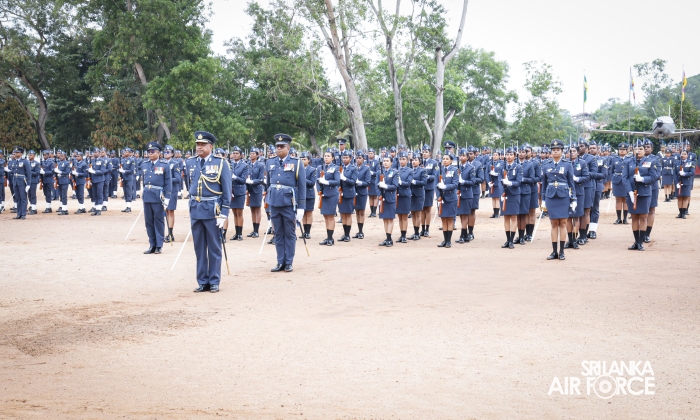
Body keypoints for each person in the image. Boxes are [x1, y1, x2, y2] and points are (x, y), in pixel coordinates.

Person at [189, 131, 231, 292]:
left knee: (214, 247)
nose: (199, 147)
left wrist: (224, 213)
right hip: (196, 209)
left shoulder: (220, 163)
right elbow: (191, 186)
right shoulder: (191, 162)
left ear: (210, 146)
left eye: (202, 145)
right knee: (199, 248)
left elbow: (227, 189)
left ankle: (214, 280)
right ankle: (202, 281)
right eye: (197, 145)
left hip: (212, 210)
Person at [265, 134, 305, 272]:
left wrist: (301, 207)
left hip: (289, 203)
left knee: (289, 233)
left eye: (282, 147)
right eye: (277, 146)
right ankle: (280, 261)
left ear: (288, 148)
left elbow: (302, 186)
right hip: (275, 203)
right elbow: (268, 184)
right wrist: (268, 202)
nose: (279, 149)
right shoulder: (270, 162)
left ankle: (289, 261)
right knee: (278, 233)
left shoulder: (296, 162)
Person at [541, 140, 576, 260]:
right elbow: (544, 184)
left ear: (562, 151)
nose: (556, 152)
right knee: (553, 223)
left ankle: (562, 252)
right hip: (551, 197)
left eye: (558, 150)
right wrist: (543, 199)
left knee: (563, 223)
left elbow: (571, 183)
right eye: (554, 150)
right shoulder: (546, 164)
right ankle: (554, 251)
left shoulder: (567, 164)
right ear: (551, 152)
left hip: (564, 196)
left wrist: (574, 198)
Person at [623, 139, 659, 251]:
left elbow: (654, 176)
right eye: (636, 148)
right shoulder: (628, 161)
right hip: (631, 193)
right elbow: (624, 177)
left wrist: (642, 179)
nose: (638, 151)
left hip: (644, 192)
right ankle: (635, 241)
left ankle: (640, 242)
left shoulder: (650, 162)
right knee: (634, 217)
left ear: (644, 150)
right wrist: (629, 191)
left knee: (643, 217)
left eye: (641, 149)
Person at [141, 142, 172, 254]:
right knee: (148, 221)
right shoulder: (144, 164)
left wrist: (167, 197)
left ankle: (159, 245)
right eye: (148, 151)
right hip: (147, 195)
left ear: (159, 153)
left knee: (158, 221)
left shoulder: (164, 165)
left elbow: (168, 182)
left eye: (152, 151)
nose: (150, 153)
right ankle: (152, 244)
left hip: (158, 196)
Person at [499, 147, 523, 248]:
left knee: (513, 217)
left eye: (511, 154)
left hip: (514, 194)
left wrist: (510, 183)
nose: (508, 156)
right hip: (505, 194)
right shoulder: (503, 167)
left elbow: (519, 181)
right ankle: (508, 240)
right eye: (507, 154)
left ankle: (512, 240)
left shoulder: (518, 167)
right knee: (506, 217)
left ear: (514, 156)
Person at [566, 146, 589, 249]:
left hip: (578, 192)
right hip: (567, 192)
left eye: (574, 151)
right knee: (568, 217)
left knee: (577, 216)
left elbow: (586, 177)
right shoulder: (565, 163)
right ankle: (570, 240)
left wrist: (577, 179)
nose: (572, 153)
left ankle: (575, 239)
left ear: (578, 152)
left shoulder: (582, 163)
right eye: (570, 151)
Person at [435, 152, 458, 247]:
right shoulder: (439, 171)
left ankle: (449, 240)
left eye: (447, 159)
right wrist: (438, 196)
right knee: (443, 219)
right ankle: (444, 240)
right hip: (442, 198)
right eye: (443, 159)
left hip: (451, 197)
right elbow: (436, 185)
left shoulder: (454, 170)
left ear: (451, 161)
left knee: (449, 219)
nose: (444, 160)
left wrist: (445, 187)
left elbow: (455, 184)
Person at [317, 151, 340, 245]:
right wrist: (319, 191)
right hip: (323, 194)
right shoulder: (320, 167)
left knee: (330, 216)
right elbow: (317, 181)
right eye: (325, 156)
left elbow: (337, 181)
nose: (326, 158)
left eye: (328, 156)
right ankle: (327, 237)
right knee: (325, 215)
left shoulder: (335, 168)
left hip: (331, 194)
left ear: (333, 158)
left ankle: (330, 238)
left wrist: (326, 182)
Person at [227, 146, 249, 241]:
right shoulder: (229, 164)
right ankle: (236, 233)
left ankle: (240, 233)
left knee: (239, 213)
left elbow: (243, 180)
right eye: (234, 153)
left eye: (237, 153)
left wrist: (234, 177)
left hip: (239, 190)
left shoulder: (244, 165)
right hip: (231, 191)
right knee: (234, 213)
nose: (235, 155)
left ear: (241, 155)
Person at [514, 146, 534, 245]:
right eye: (520, 152)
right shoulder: (514, 164)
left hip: (526, 191)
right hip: (516, 191)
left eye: (523, 152)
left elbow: (532, 179)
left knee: (524, 214)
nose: (521, 154)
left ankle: (522, 236)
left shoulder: (529, 165)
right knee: (517, 214)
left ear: (526, 154)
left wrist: (522, 179)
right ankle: (519, 235)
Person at [642, 139, 661, 243]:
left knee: (651, 210)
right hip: (640, 188)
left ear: (652, 148)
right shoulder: (638, 158)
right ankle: (641, 231)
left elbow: (658, 174)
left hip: (652, 187)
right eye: (644, 147)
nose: (646, 149)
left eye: (648, 147)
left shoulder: (656, 159)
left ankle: (647, 233)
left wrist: (647, 179)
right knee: (643, 211)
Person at [455, 148, 475, 243]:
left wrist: (463, 181)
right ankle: (465, 234)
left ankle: (463, 235)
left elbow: (472, 181)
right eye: (460, 155)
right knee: (461, 214)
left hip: (467, 194)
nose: (461, 157)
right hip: (459, 194)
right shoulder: (457, 168)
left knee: (465, 215)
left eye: (463, 155)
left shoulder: (471, 168)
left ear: (467, 157)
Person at [162, 145, 182, 243]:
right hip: (163, 191)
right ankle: (167, 232)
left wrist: (166, 179)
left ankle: (170, 233)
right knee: (165, 211)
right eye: (165, 152)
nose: (166, 153)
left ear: (172, 154)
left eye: (168, 152)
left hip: (172, 191)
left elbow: (178, 179)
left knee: (170, 211)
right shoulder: (161, 163)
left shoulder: (175, 164)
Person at [377, 156, 398, 246]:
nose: (385, 163)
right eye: (384, 161)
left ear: (391, 163)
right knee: (385, 219)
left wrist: (386, 186)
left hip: (390, 198)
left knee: (390, 218)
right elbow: (376, 186)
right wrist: (379, 195)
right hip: (382, 199)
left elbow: (395, 186)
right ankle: (387, 237)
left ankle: (389, 239)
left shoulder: (394, 172)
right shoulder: (379, 172)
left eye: (387, 161)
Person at [337, 150, 357, 242]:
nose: (344, 159)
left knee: (348, 214)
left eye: (346, 158)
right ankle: (344, 234)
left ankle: (347, 235)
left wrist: (344, 178)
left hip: (349, 193)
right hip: (341, 194)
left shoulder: (353, 168)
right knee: (343, 214)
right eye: (343, 158)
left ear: (350, 159)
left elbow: (353, 182)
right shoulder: (340, 168)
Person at [245, 148, 265, 238]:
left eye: (253, 153)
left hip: (257, 189)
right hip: (250, 189)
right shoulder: (248, 165)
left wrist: (252, 181)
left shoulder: (260, 165)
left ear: (257, 155)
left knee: (257, 209)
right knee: (252, 209)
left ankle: (257, 230)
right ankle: (254, 230)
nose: (251, 155)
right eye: (250, 153)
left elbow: (261, 179)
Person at [420, 145, 438, 237]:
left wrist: (427, 177)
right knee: (422, 209)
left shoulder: (434, 163)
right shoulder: (420, 162)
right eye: (423, 152)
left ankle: (427, 228)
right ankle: (422, 229)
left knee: (428, 209)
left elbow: (435, 175)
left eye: (426, 152)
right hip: (420, 188)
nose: (424, 153)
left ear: (430, 153)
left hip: (429, 188)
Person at [352, 152, 371, 239]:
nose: (358, 159)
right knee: (357, 211)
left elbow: (367, 182)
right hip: (354, 191)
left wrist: (359, 182)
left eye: (360, 158)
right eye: (357, 158)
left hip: (362, 192)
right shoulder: (354, 167)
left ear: (363, 159)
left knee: (361, 212)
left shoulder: (366, 169)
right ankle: (358, 230)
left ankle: (361, 231)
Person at [610, 143, 630, 224]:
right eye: (620, 149)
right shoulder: (614, 159)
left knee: (625, 200)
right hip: (617, 180)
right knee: (618, 200)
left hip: (626, 181)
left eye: (624, 149)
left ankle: (625, 218)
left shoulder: (629, 159)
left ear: (627, 150)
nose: (622, 151)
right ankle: (618, 218)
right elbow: (611, 170)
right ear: (618, 150)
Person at [409, 153, 427, 240]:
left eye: (416, 160)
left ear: (419, 162)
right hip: (411, 194)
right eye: (413, 160)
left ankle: (417, 232)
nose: (414, 162)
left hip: (419, 194)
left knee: (418, 213)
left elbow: (424, 182)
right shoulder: (409, 170)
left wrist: (414, 182)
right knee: (413, 213)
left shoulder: (422, 170)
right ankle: (414, 231)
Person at [300, 151, 318, 239]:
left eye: (304, 159)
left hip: (309, 193)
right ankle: (304, 231)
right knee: (303, 213)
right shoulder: (298, 169)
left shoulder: (312, 169)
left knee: (309, 213)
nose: (303, 161)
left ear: (309, 160)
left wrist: (302, 179)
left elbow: (312, 183)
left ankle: (308, 232)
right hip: (301, 194)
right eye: (302, 159)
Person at [10, 147, 30, 219]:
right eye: (15, 152)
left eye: (17, 152)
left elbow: (29, 173)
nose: (15, 153)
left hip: (22, 182)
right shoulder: (14, 161)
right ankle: (19, 213)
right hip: (15, 181)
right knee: (17, 198)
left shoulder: (25, 161)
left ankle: (23, 214)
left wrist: (28, 184)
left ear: (21, 153)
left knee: (23, 198)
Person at [675, 150, 695, 219]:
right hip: (678, 182)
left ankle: (684, 213)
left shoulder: (691, 163)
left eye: (684, 154)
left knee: (685, 197)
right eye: (681, 154)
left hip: (686, 182)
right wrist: (676, 182)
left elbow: (692, 173)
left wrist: (685, 174)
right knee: (679, 198)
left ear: (687, 155)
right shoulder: (677, 163)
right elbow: (674, 174)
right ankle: (680, 213)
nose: (682, 155)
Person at [88, 147, 105, 215]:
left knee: (99, 194)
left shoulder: (102, 160)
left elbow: (102, 171)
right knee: (94, 194)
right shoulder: (92, 160)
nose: (95, 153)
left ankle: (99, 209)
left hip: (100, 180)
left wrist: (94, 171)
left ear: (99, 153)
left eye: (96, 152)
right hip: (94, 180)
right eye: (94, 152)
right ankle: (96, 208)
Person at [488, 149, 505, 218]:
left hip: (498, 182)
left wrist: (496, 174)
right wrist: (488, 181)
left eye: (496, 155)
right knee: (493, 198)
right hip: (492, 182)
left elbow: (503, 173)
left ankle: (497, 213)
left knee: (497, 198)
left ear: (499, 156)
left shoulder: (502, 163)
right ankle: (494, 212)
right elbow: (486, 173)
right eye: (494, 155)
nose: (495, 156)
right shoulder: (490, 163)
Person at [54, 150, 71, 215]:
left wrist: (60, 172)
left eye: (62, 156)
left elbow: (67, 172)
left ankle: (65, 209)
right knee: (61, 195)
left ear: (65, 156)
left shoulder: (67, 163)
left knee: (64, 195)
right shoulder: (59, 163)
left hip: (64, 181)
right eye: (60, 156)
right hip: (59, 181)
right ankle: (62, 208)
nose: (60, 157)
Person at [119, 148, 137, 212]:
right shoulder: (123, 160)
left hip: (129, 178)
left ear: (129, 153)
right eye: (125, 152)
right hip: (124, 178)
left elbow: (131, 170)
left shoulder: (132, 160)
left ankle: (129, 207)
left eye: (127, 152)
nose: (125, 153)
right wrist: (121, 176)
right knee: (125, 192)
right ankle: (127, 206)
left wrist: (124, 171)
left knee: (129, 192)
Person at [366, 148, 381, 217]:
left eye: (371, 153)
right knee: (370, 196)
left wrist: (372, 173)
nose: (370, 154)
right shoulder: (366, 162)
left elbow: (378, 172)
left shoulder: (376, 162)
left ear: (374, 154)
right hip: (369, 181)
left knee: (375, 196)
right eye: (369, 153)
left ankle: (374, 212)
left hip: (374, 181)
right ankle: (371, 211)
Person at [27, 150, 40, 215]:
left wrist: (29, 172)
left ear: (34, 156)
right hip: (27, 181)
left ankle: (34, 209)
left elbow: (37, 173)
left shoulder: (36, 163)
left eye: (31, 155)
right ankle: (32, 206)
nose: (29, 156)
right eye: (29, 155)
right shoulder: (26, 163)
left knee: (33, 194)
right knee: (29, 195)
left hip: (33, 180)